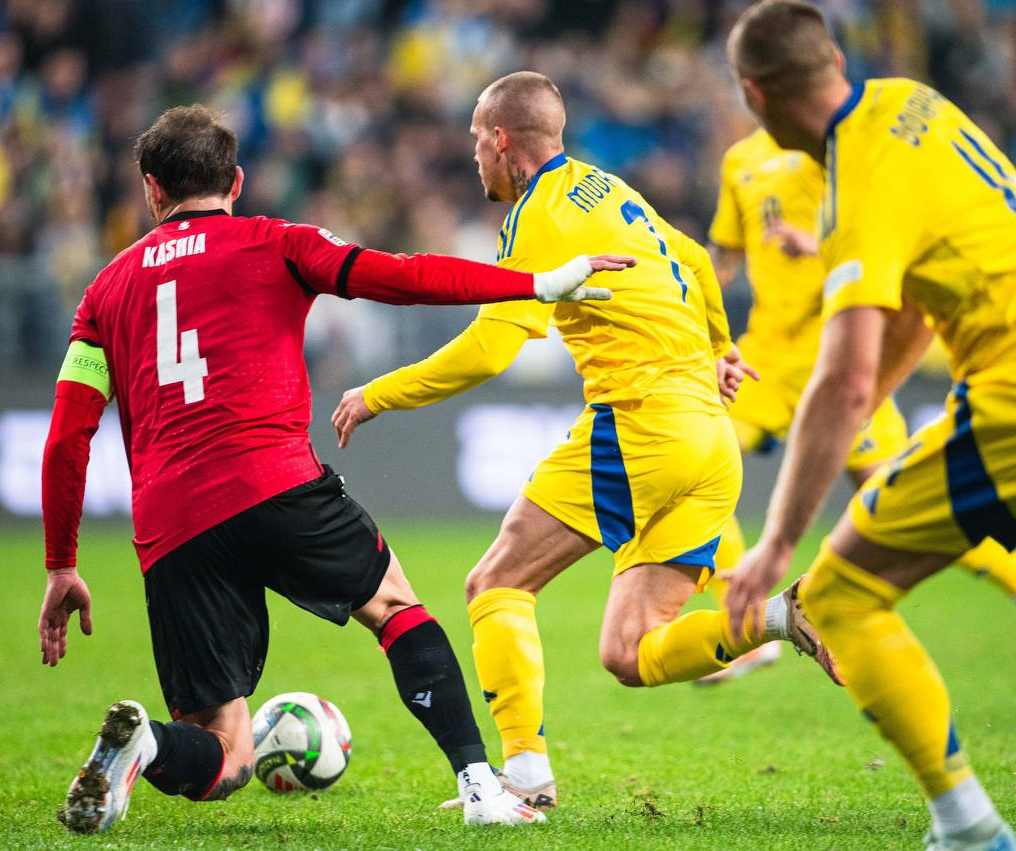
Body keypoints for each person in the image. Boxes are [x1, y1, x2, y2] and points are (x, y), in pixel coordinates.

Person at [37, 104, 627, 834]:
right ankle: (481, 786)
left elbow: (68, 435)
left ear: (152, 190)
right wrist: (535, 284)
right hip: (274, 480)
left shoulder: (103, 292)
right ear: (238, 180)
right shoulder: (277, 242)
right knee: (394, 607)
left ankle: (150, 742)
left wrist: (62, 562)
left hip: (172, 521)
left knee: (226, 754)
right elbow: (401, 276)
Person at [721, 3, 1016, 850]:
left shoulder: (857, 179)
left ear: (757, 95)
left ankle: (967, 828)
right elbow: (915, 320)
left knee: (837, 594)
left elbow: (846, 375)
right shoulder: (914, 101)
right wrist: (866, 397)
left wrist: (777, 541)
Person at [330, 71, 840, 812]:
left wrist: (378, 392)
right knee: (628, 652)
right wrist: (722, 347)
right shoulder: (608, 187)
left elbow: (490, 348)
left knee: (495, 582)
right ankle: (778, 616)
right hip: (708, 436)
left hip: (641, 424)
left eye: (477, 140)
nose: (474, 157)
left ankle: (525, 777)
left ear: (502, 141)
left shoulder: (536, 215)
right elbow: (696, 262)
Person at [699, 125, 1016, 684]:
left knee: (895, 503)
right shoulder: (739, 160)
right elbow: (724, 255)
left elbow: (888, 235)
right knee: (698, 460)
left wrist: (817, 243)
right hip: (766, 360)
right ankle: (749, 624)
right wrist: (690, 282)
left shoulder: (834, 147)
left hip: (843, 355)